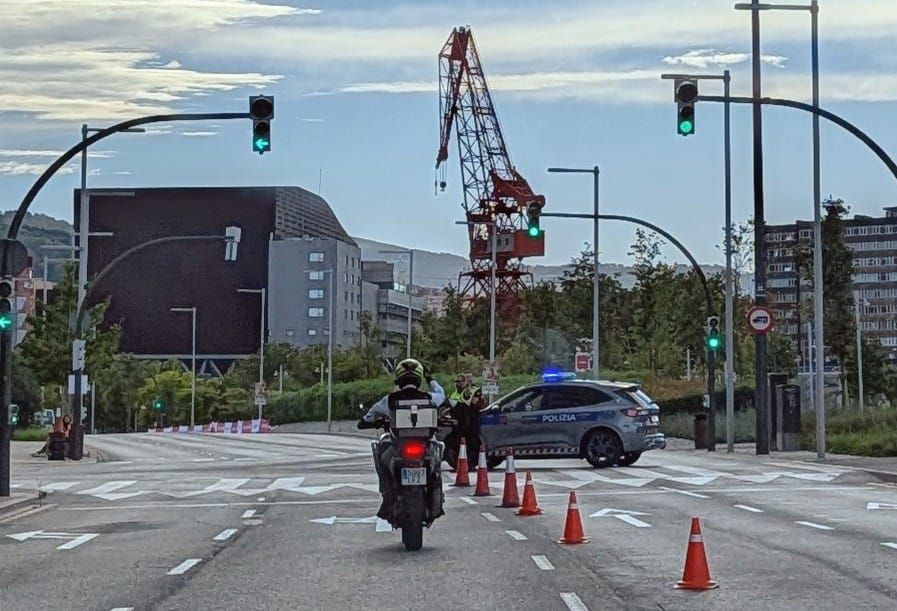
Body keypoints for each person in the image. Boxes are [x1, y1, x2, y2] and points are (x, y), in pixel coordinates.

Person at [358, 358, 445, 520]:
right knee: (438, 459)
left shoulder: (390, 399)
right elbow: (442, 395)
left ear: (399, 378)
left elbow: (369, 416)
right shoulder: (430, 397)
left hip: (398, 446)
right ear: (419, 379)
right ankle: (436, 497)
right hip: (424, 446)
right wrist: (431, 379)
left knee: (380, 454)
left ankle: (387, 496)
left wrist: (367, 421)